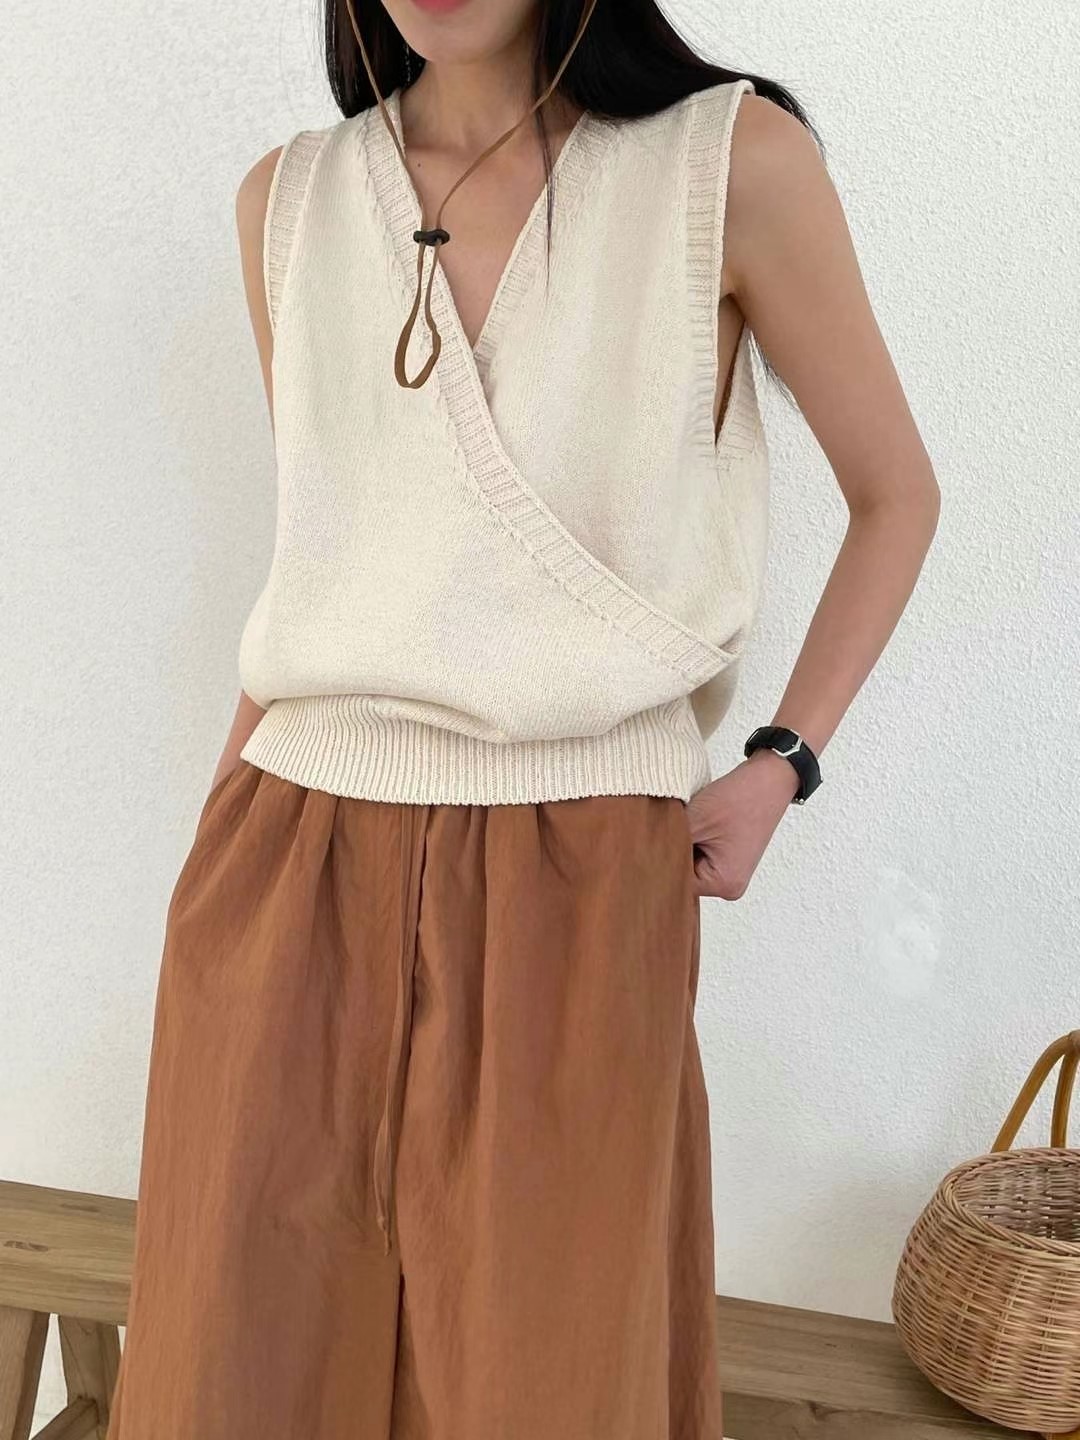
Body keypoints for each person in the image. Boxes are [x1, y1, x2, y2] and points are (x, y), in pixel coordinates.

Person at [105, 1, 940, 1437]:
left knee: (547, 1378)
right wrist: (216, 849)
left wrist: (782, 762)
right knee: (240, 1368)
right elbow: (328, 550)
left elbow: (897, 494)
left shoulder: (729, 163)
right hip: (288, 857)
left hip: (578, 871)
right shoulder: (290, 200)